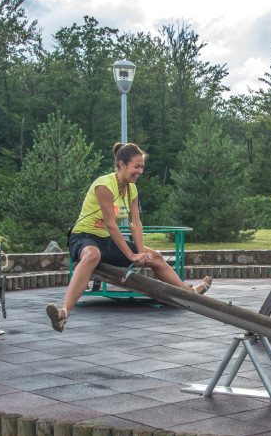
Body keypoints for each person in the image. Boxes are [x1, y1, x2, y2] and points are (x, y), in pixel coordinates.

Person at [47, 142, 212, 332]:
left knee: (156, 257)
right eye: (137, 166)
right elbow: (110, 224)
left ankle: (190, 293)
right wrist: (132, 256)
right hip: (84, 237)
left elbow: (136, 223)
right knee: (92, 255)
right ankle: (63, 313)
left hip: (107, 242)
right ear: (122, 164)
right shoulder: (104, 186)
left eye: (142, 166)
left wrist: (141, 253)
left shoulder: (131, 189)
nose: (140, 171)